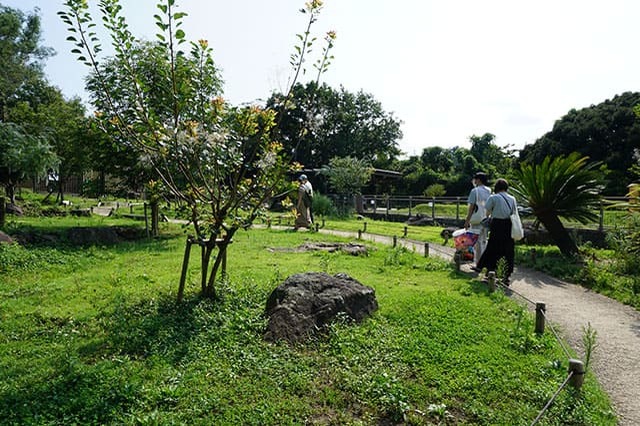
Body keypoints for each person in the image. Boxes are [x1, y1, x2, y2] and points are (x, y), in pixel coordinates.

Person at [475, 178, 517, 285]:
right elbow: (514, 212)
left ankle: (490, 272)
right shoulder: (512, 198)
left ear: (496, 187)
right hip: (508, 225)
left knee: (493, 248)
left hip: (497, 225)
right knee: (507, 250)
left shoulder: (493, 197)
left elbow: (487, 211)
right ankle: (506, 275)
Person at [463, 171, 491, 266]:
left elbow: (471, 208)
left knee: (476, 241)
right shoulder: (489, 190)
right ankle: (485, 262)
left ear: (478, 180)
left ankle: (478, 263)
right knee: (484, 240)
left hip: (476, 220)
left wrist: (467, 221)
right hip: (486, 218)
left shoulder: (474, 191)